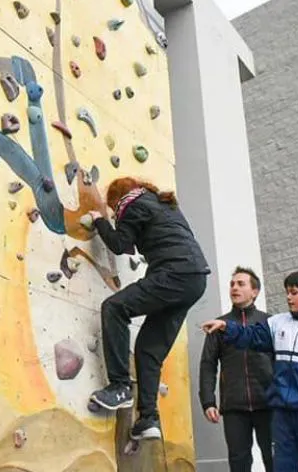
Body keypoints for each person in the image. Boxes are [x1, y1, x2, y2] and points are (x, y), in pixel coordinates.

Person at [86, 177, 210, 441]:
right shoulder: (163, 204)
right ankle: (148, 419)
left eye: (112, 207)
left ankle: (120, 386)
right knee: (148, 350)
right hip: (194, 280)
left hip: (175, 273)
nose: (113, 211)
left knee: (114, 307)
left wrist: (99, 220)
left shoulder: (133, 204)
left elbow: (120, 245)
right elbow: (134, 243)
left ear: (118, 199)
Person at [201, 269, 298, 472]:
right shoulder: (277, 323)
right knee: (281, 467)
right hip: (282, 414)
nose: (288, 297)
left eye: (294, 293)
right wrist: (226, 326)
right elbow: (251, 335)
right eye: (287, 292)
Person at [199, 266, 274, 472]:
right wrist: (208, 401)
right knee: (239, 462)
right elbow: (208, 364)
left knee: (275, 459)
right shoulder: (219, 325)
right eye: (232, 284)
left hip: (268, 403)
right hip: (234, 406)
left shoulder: (269, 322)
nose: (234, 287)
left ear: (254, 291)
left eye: (241, 284)